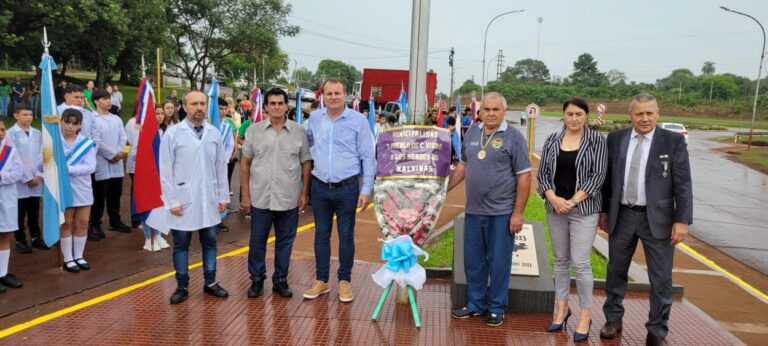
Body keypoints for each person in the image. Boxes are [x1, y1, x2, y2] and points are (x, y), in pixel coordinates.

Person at [598, 93, 692, 346]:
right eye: (639, 113)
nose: (645, 118)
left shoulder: (672, 141)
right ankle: (613, 319)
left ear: (658, 114)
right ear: (630, 115)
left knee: (661, 279)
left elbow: (683, 184)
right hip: (623, 215)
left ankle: (657, 330)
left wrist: (682, 220)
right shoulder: (616, 138)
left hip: (658, 219)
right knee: (615, 271)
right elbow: (608, 180)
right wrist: (604, 211)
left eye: (650, 113)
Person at [447, 92, 531, 327]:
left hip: (502, 213)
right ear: (480, 111)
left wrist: (518, 213)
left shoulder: (514, 137)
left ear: (504, 111)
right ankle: (475, 304)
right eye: (487, 109)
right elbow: (463, 166)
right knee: (473, 261)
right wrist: (442, 191)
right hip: (474, 210)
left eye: (496, 109)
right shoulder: (472, 132)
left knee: (499, 262)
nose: (491, 113)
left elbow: (524, 176)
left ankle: (496, 307)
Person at [537, 97, 607, 342]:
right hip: (555, 208)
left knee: (581, 263)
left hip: (583, 209)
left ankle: (585, 315)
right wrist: (553, 198)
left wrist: (573, 200)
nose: (574, 118)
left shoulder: (597, 141)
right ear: (563, 116)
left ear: (586, 116)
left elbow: (597, 176)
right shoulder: (552, 140)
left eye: (579, 114)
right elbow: (543, 173)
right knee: (561, 260)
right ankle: (561, 309)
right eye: (570, 114)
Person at [302, 78, 376, 303]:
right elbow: (308, 145)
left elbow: (368, 156)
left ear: (346, 95)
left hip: (348, 188)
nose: (333, 97)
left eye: (337, 93)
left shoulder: (358, 121)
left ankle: (344, 281)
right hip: (320, 187)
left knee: (346, 236)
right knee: (321, 235)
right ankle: (321, 280)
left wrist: (366, 189)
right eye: (329, 93)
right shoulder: (314, 119)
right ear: (323, 96)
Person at [159, 90, 230, 305]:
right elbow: (165, 170)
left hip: (209, 199)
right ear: (184, 106)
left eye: (202, 103)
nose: (199, 108)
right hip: (183, 201)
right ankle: (182, 285)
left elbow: (220, 168)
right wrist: (171, 201)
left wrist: (222, 197)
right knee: (181, 244)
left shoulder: (214, 133)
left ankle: (210, 282)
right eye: (194, 104)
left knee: (210, 242)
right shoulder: (173, 134)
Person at [240, 87, 311, 299]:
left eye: (281, 103)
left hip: (288, 197)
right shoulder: (254, 131)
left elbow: (305, 163)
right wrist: (245, 194)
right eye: (273, 103)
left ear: (286, 106)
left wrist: (304, 192)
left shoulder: (299, 131)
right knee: (257, 240)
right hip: (260, 196)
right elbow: (245, 163)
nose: (277, 107)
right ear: (266, 106)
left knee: (285, 241)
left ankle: (280, 280)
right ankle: (256, 279)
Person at [125, 104, 170, 251]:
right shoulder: (143, 131)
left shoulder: (166, 130)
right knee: (147, 205)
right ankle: (148, 238)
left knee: (160, 205)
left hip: (162, 173)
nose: (160, 116)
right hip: (146, 173)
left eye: (162, 113)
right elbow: (134, 151)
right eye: (156, 113)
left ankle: (157, 234)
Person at [89, 89, 130, 240]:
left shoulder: (116, 119)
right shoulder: (92, 119)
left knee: (115, 194)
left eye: (109, 98)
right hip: (101, 162)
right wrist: (111, 154)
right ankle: (95, 223)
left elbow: (123, 136)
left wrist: (119, 152)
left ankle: (115, 220)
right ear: (96, 101)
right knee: (99, 195)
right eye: (105, 99)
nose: (108, 101)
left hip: (117, 162)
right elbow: (96, 140)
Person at [59, 109, 97, 272]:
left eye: (74, 123)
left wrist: (69, 168)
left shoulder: (86, 143)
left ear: (79, 125)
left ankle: (79, 255)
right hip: (63, 187)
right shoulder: (54, 141)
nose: (70, 126)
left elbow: (90, 166)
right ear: (61, 121)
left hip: (82, 187)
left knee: (82, 222)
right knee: (66, 223)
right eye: (67, 121)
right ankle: (67, 258)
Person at [8, 104, 45, 253]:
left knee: (34, 211)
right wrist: (27, 178)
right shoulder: (10, 134)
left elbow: (42, 155)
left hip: (36, 179)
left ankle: (36, 237)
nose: (28, 117)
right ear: (16, 116)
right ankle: (20, 239)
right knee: (19, 212)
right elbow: (13, 158)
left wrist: (37, 175)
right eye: (25, 114)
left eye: (30, 114)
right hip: (20, 181)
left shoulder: (37, 133)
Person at [0, 121, 28, 293]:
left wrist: (1, 177)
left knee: (5, 236)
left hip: (7, 198)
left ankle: (2, 273)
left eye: (2, 129)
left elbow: (17, 172)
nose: (1, 133)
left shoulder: (10, 152)